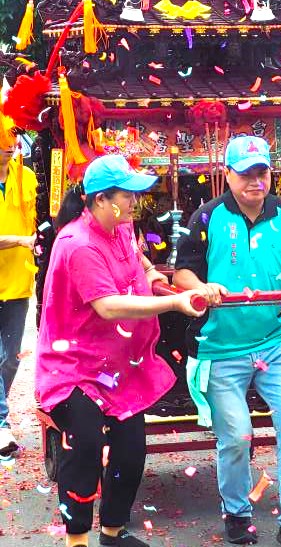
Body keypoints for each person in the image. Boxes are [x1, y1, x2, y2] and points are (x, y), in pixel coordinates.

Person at [173, 136, 281, 547]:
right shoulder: (206, 217)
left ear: (270, 173)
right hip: (220, 346)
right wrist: (202, 287)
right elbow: (182, 274)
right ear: (227, 175)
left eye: (261, 172)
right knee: (236, 436)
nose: (255, 181)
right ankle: (237, 513)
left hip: (275, 340)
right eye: (245, 173)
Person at [36, 154, 204, 547]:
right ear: (100, 199)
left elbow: (139, 262)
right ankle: (77, 539)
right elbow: (108, 306)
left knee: (130, 452)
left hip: (117, 365)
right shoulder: (78, 244)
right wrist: (173, 303)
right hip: (74, 368)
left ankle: (112, 534)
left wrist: (155, 278)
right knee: (86, 449)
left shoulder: (122, 227)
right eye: (127, 196)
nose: (135, 202)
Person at [0, 110, 37, 457]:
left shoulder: (27, 176)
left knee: (10, 359)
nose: (8, 148)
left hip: (17, 281)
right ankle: (1, 424)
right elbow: (23, 235)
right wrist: (20, 240)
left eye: (11, 141)